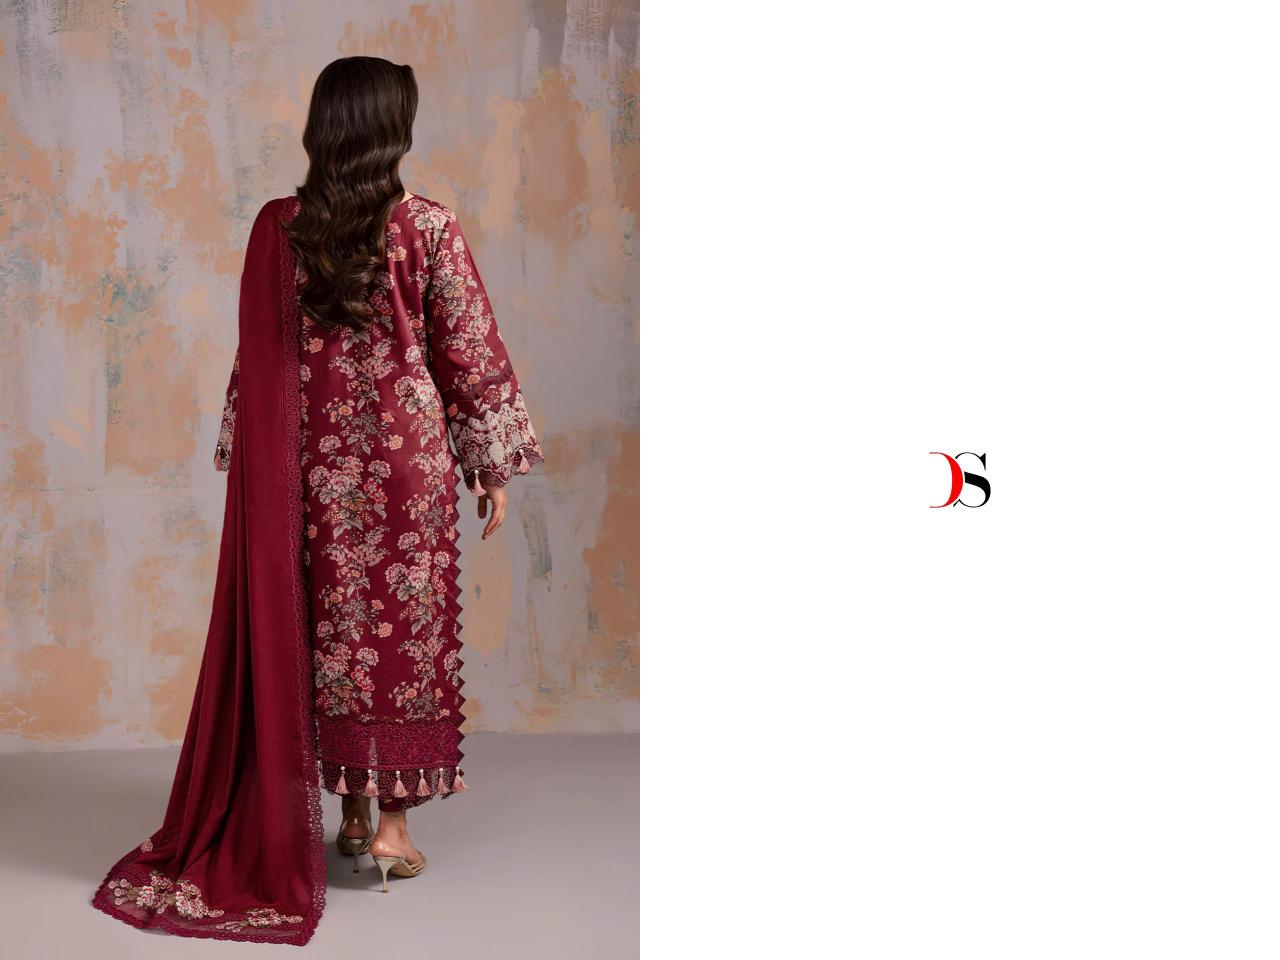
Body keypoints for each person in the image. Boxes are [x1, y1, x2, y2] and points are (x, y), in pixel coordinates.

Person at [93, 56, 544, 945]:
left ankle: (352, 813)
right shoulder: (428, 227)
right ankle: (390, 830)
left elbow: (257, 358)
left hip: (307, 473)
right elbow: (465, 348)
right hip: (405, 470)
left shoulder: (282, 228)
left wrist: (249, 461)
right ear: (391, 129)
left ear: (325, 127)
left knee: (322, 636)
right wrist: (488, 466)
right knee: (397, 641)